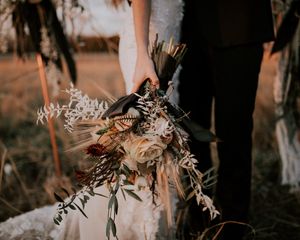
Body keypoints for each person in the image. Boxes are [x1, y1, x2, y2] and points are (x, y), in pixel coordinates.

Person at [0, 1, 184, 239]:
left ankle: (150, 220)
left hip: (162, 41)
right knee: (145, 143)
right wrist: (142, 53)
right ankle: (138, 227)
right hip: (148, 46)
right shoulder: (145, 48)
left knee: (152, 142)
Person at [177, 0, 275, 239]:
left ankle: (233, 223)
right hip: (184, 25)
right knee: (188, 129)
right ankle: (199, 215)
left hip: (240, 22)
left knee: (234, 131)